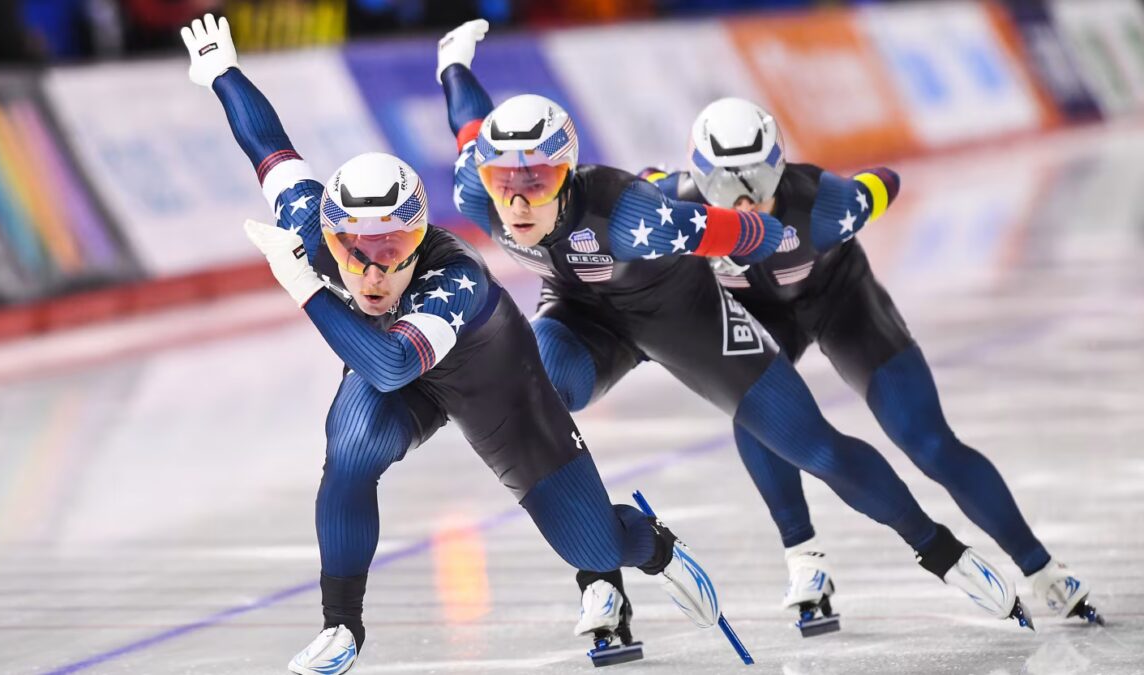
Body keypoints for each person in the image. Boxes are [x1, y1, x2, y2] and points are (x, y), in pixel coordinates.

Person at [437, 19, 1034, 660]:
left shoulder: (632, 215)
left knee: (815, 448)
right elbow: (471, 124)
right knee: (539, 407)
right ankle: (601, 574)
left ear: (568, 174)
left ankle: (940, 548)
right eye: (506, 183)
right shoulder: (476, 187)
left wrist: (790, 237)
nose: (518, 203)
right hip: (582, 318)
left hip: (685, 315)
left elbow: (735, 229)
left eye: (538, 184)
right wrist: (454, 63)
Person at [181, 14, 727, 674]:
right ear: (332, 235)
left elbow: (388, 364)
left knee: (591, 543)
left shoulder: (453, 281)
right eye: (357, 255)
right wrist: (219, 71)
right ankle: (341, 625)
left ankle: (652, 546)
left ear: (420, 239)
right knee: (351, 447)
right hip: (406, 365)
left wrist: (307, 286)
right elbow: (270, 148)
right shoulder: (312, 223)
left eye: (394, 251)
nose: (375, 272)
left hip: (492, 378)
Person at [643, 96, 1103, 628]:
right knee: (757, 413)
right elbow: (641, 185)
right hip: (762, 320)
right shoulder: (671, 206)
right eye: (724, 186)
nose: (744, 203)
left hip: (844, 304)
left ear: (781, 169)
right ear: (699, 180)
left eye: (760, 183)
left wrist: (866, 192)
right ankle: (804, 558)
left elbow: (885, 180)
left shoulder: (824, 202)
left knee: (929, 444)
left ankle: (1041, 568)